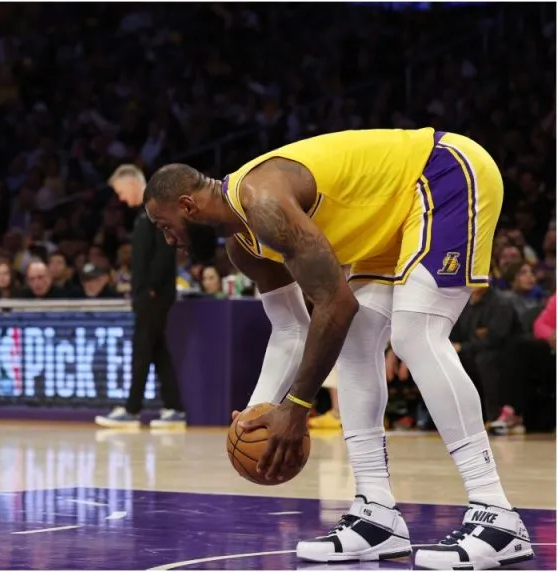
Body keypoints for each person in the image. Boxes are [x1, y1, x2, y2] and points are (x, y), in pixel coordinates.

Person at [143, 128, 532, 569]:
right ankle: (376, 514)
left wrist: (296, 405)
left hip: (442, 172)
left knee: (415, 332)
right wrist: (258, 411)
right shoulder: (244, 247)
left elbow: (335, 303)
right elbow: (290, 328)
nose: (168, 240)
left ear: (188, 206)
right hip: (389, 215)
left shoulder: (264, 201)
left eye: (164, 226)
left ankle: (496, 515)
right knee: (356, 340)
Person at [96, 164, 185, 429]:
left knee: (142, 350)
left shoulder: (157, 208)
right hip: (149, 293)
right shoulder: (144, 213)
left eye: (121, 192)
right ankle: (175, 408)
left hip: (154, 294)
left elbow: (166, 250)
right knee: (157, 350)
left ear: (133, 183)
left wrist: (152, 287)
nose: (121, 198)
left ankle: (132, 410)